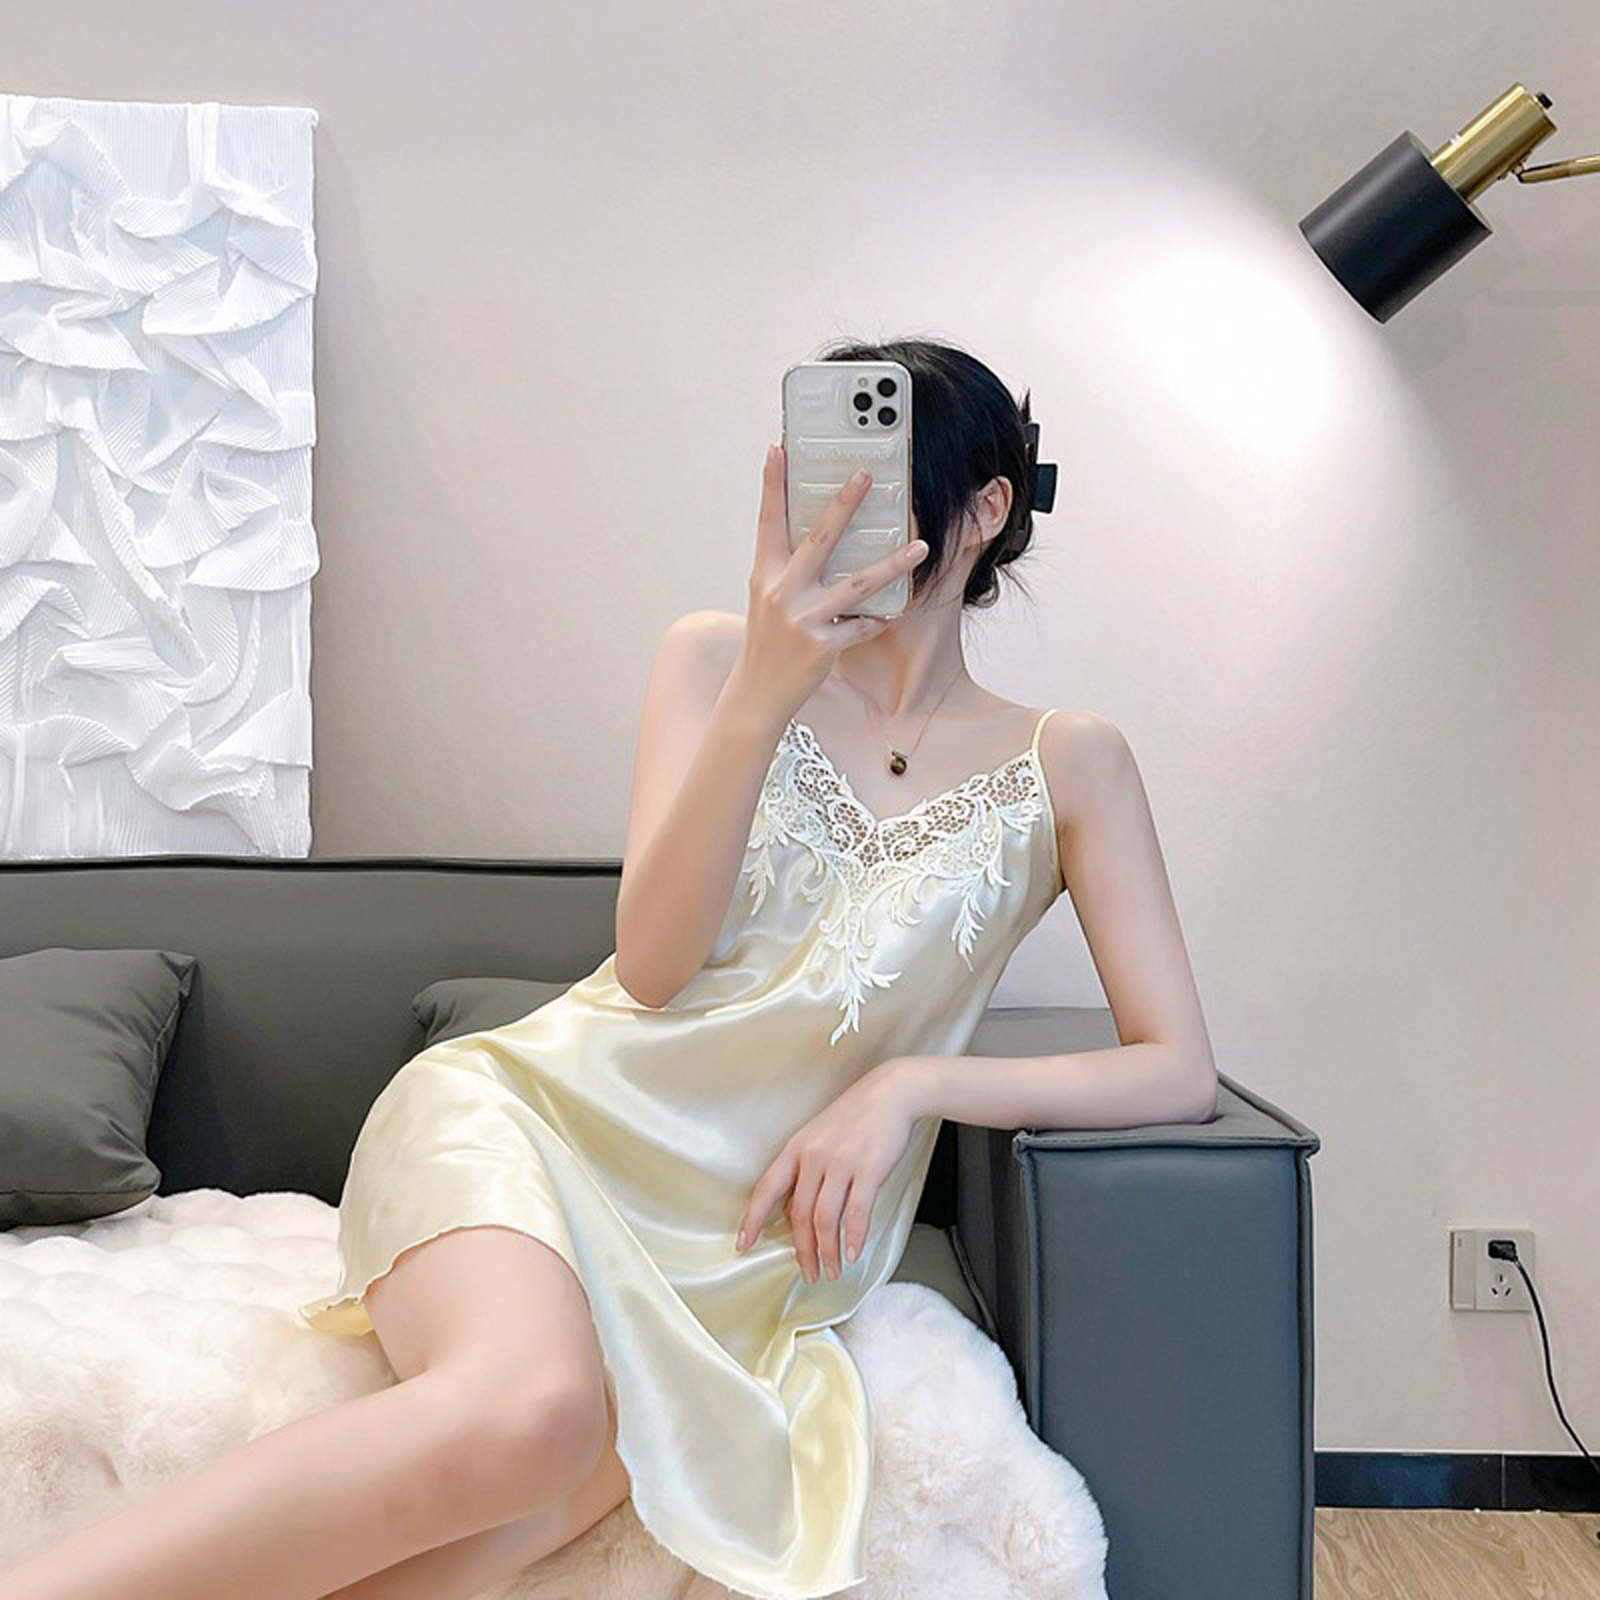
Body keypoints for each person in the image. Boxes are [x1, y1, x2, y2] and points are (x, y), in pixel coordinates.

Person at [0, 338, 1218, 1600]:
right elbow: (652, 966)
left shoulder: (1069, 763)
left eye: (883, 479)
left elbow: (1174, 1066)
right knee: (532, 1412)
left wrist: (911, 1083)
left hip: (735, 1255)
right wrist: (764, 690)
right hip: (532, 1124)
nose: (842, 513)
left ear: (984, 509)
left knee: (582, 1466)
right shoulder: (714, 661)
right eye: (824, 476)